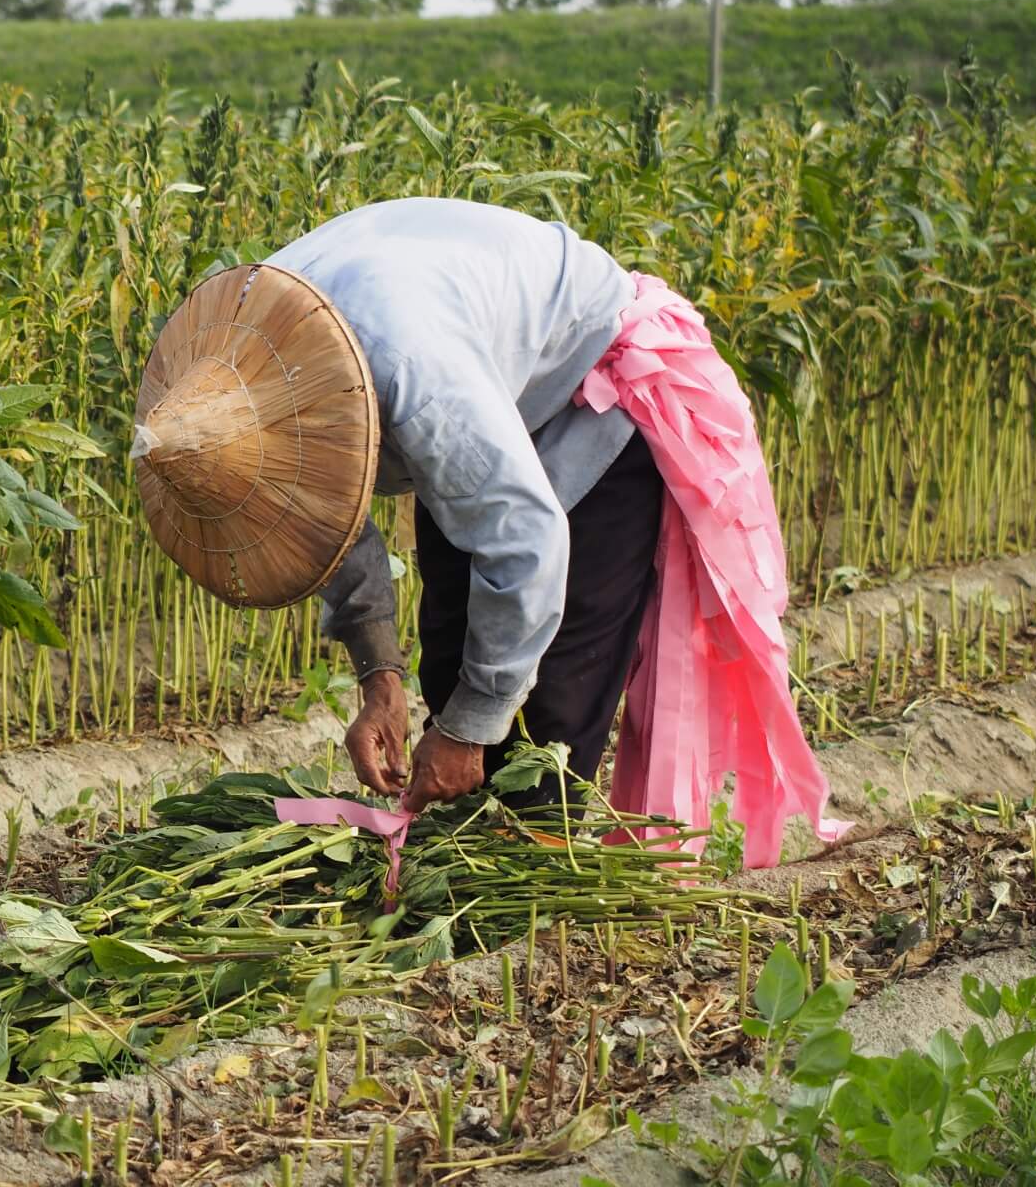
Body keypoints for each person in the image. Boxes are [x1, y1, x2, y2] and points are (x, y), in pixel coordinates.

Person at [130, 196, 844, 868]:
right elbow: (320, 515)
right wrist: (381, 679)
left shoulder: (412, 375)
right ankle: (474, 845)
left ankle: (532, 879)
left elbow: (528, 545)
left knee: (547, 714)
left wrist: (471, 729)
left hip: (593, 389)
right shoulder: (247, 356)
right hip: (484, 379)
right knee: (452, 656)